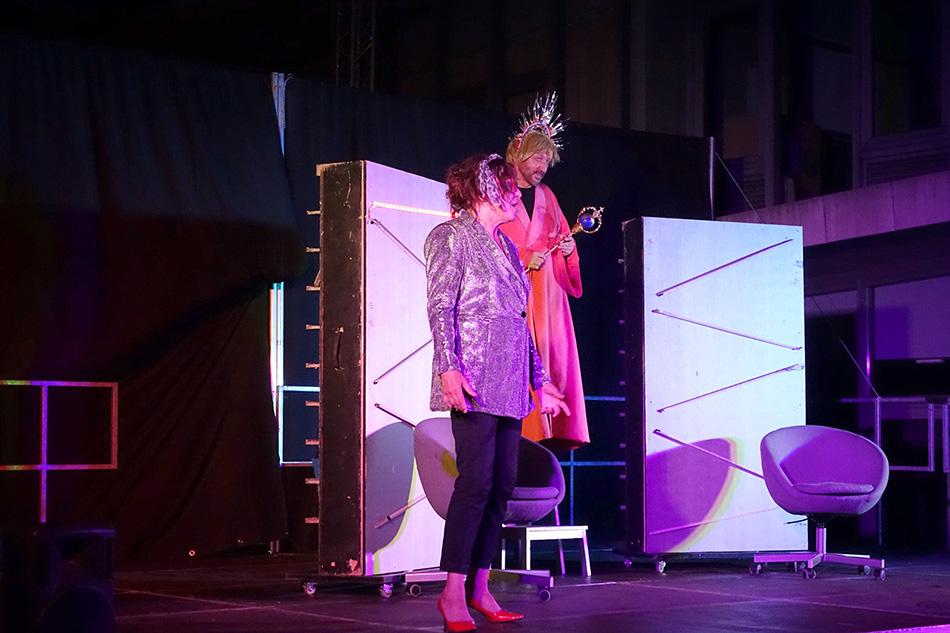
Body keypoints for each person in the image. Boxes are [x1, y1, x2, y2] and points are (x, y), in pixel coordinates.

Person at [426, 153, 569, 632]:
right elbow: (440, 307)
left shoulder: (507, 247)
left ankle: (481, 587)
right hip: (472, 378)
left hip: (509, 382)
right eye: (508, 188)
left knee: (502, 485)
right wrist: (448, 368)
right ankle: (452, 592)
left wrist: (541, 381)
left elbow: (518, 321)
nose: (516, 196)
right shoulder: (450, 236)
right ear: (485, 190)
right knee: (475, 484)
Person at [499, 94, 589, 450]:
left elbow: (564, 238)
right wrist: (524, 256)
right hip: (515, 295)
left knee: (551, 361)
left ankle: (549, 432)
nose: (543, 167)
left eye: (547, 161)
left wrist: (567, 251)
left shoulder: (547, 195)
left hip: (548, 298)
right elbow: (486, 243)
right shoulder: (498, 193)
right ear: (519, 154)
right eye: (538, 158)